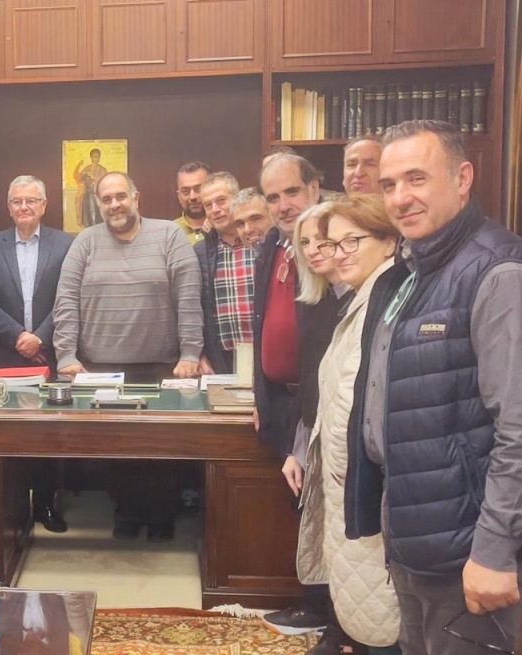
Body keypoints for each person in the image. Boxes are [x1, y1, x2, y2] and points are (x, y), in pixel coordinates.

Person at [347, 120, 522, 653]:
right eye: (389, 185)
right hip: (416, 534)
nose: (401, 198)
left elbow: (518, 428)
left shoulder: (497, 273)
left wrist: (495, 549)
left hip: (470, 550)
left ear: (463, 178)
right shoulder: (413, 271)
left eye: (417, 179)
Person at [53, 171, 202, 541]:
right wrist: (65, 354)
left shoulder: (169, 235)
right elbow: (66, 300)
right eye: (106, 199)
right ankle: (127, 512)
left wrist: (190, 352)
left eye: (121, 196)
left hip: (162, 365)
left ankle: (162, 516)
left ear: (136, 198)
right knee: (116, 447)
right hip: (100, 367)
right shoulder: (85, 241)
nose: (114, 204)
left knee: (161, 447)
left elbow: (188, 298)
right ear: (99, 204)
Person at [291, 197, 402, 655]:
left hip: (374, 493)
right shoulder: (362, 299)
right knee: (366, 609)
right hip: (347, 487)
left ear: (389, 241)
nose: (337, 254)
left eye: (350, 242)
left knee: (384, 621)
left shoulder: (390, 303)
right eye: (332, 244)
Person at [257, 153, 336, 645]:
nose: (283, 205)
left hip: (318, 404)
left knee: (326, 510)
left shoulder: (330, 249)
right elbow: (264, 322)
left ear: (314, 188)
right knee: (301, 506)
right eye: (273, 197)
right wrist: (260, 396)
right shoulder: (274, 245)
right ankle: (315, 603)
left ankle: (332, 617)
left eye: (291, 192)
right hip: (281, 402)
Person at [0, 175, 74, 533]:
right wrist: (18, 337)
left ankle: (45, 503)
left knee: (48, 435)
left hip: (48, 354)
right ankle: (12, 509)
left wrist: (39, 338)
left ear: (44, 205)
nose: (24, 207)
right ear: (8, 206)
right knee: (6, 434)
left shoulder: (66, 244)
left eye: (31, 200)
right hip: (3, 355)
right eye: (17, 201)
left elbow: (69, 297)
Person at [194, 172, 255, 375]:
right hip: (221, 359)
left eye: (221, 201)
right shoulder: (200, 253)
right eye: (208, 205)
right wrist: (199, 354)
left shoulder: (260, 242)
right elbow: (195, 309)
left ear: (237, 199)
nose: (215, 210)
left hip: (266, 353)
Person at [174, 161, 211, 245]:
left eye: (198, 189)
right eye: (185, 191)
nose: (192, 197)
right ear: (179, 196)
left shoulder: (224, 228)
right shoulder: (169, 231)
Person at [72, 148, 107, 228]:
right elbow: (77, 178)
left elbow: (104, 182)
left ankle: (98, 228)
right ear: (91, 158)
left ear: (99, 157)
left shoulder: (102, 170)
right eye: (94, 156)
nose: (95, 158)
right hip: (87, 194)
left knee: (98, 212)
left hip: (98, 195)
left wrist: (92, 176)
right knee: (89, 212)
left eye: (97, 156)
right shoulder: (87, 168)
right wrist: (79, 165)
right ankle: (90, 228)